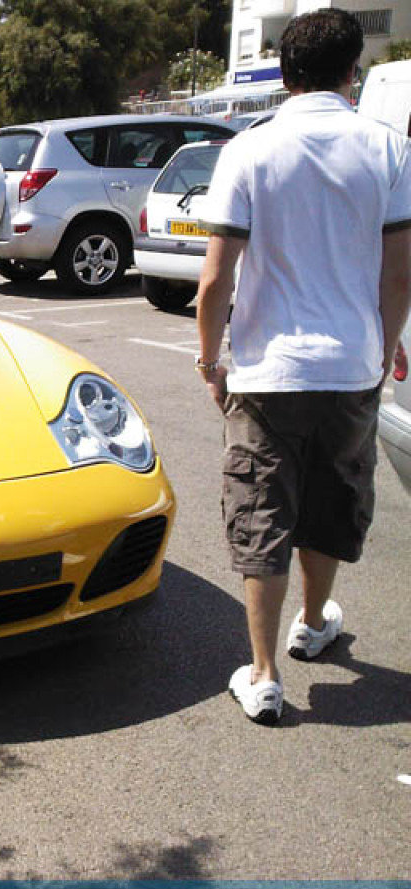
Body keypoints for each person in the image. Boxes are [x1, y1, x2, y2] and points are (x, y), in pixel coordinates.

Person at [194, 7, 411, 725]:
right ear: (354, 70)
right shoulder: (388, 148)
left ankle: (262, 674)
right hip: (352, 365)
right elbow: (398, 275)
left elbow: (216, 281)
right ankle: (315, 622)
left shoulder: (250, 150)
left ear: (284, 73)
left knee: (262, 509)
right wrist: (384, 344)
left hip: (266, 371)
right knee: (330, 500)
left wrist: (209, 357)